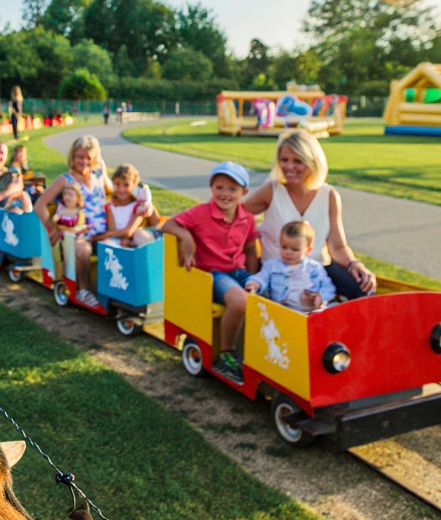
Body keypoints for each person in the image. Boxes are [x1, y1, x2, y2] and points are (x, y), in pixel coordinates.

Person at [244, 129, 376, 299]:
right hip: (278, 271)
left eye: (298, 161)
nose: (289, 167)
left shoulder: (329, 195)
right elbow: (235, 215)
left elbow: (337, 246)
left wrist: (355, 264)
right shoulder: (272, 190)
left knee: (365, 288)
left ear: (313, 162)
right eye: (284, 160)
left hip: (317, 269)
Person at [160, 162, 260, 381]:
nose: (225, 194)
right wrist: (186, 237)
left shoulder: (247, 218)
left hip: (239, 272)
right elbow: (167, 225)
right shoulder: (200, 213)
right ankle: (226, 354)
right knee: (240, 301)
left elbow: (251, 250)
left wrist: (255, 278)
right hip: (213, 275)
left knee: (269, 296)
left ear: (244, 192)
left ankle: (262, 353)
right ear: (211, 188)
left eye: (232, 189)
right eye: (219, 187)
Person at [34, 135, 112, 306]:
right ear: (73, 157)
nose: (84, 162)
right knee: (83, 250)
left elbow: (112, 191)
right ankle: (84, 291)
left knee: (121, 248)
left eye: (88, 158)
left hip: (103, 231)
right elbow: (40, 205)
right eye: (80, 157)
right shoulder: (66, 180)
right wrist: (53, 229)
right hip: (80, 234)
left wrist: (103, 170)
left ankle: (114, 293)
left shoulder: (98, 176)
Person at [246, 221, 336, 312]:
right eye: (284, 247)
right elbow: (262, 277)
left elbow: (328, 287)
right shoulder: (272, 266)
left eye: (295, 249)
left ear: (308, 250)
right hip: (282, 311)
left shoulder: (314, 268)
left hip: (309, 312)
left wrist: (321, 296)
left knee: (334, 308)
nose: (288, 252)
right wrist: (255, 283)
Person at [93, 164, 156, 248]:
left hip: (134, 239)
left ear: (134, 183)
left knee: (141, 237)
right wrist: (115, 236)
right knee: (106, 244)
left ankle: (148, 256)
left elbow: (128, 232)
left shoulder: (139, 206)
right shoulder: (110, 206)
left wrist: (107, 234)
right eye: (117, 184)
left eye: (126, 185)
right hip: (117, 239)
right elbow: (112, 229)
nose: (121, 189)